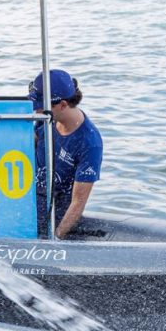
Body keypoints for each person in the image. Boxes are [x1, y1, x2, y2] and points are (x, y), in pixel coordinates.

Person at [29, 69, 103, 239]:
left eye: (40, 107)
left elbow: (78, 203)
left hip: (54, 215)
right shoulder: (44, 122)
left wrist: (55, 238)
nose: (36, 111)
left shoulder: (90, 143)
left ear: (62, 105)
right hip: (28, 205)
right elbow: (25, 150)